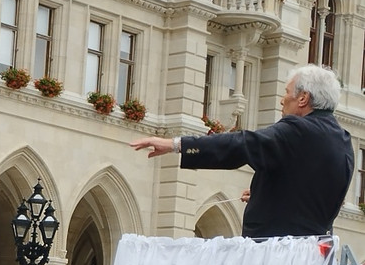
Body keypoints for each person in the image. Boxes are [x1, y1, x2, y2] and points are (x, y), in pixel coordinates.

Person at [130, 64, 353, 238]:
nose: (281, 100)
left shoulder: (298, 130)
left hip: (276, 253)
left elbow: (243, 143)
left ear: (303, 98)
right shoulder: (342, 139)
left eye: (287, 93)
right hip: (312, 256)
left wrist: (177, 145)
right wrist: (265, 195)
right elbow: (310, 197)